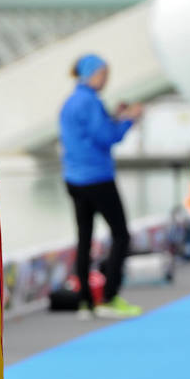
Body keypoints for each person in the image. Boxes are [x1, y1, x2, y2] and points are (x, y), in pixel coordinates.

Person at [59, 53, 143, 319]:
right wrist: (129, 119)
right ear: (91, 74)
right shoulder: (91, 102)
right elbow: (107, 137)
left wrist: (114, 117)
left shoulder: (70, 103)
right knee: (121, 235)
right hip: (98, 178)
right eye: (102, 74)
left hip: (74, 179)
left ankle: (85, 301)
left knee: (84, 238)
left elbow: (86, 135)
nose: (105, 80)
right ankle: (110, 296)